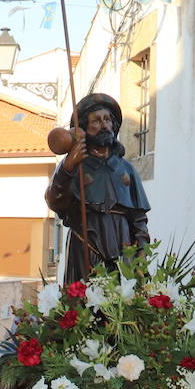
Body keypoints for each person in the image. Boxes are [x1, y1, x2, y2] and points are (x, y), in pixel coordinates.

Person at [45, 94, 150, 284]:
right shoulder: (74, 166)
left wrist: (141, 251)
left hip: (122, 244)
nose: (104, 125)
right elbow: (55, 200)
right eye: (96, 120)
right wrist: (68, 166)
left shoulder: (127, 169)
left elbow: (139, 218)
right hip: (86, 243)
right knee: (85, 304)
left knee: (120, 304)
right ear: (83, 129)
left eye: (108, 119)